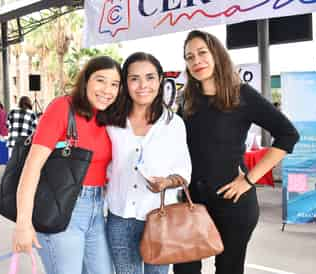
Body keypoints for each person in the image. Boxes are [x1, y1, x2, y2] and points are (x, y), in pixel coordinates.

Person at [173, 30, 300, 274]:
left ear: (217, 54)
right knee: (184, 269)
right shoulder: (186, 99)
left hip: (233, 202)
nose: (196, 61)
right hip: (192, 202)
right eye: (189, 57)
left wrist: (249, 179)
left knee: (228, 269)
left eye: (202, 53)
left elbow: (288, 135)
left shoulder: (241, 94)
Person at [12, 56, 122, 274]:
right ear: (86, 81)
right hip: (62, 208)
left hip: (97, 209)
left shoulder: (107, 117)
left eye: (114, 84)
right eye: (100, 80)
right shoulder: (63, 108)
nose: (107, 90)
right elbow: (31, 167)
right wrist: (23, 222)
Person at [105, 52, 192, 274]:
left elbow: (184, 173)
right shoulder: (111, 122)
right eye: (134, 78)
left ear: (161, 80)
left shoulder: (174, 125)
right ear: (125, 82)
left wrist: (166, 182)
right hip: (120, 219)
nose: (143, 85)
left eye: (150, 77)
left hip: (160, 219)